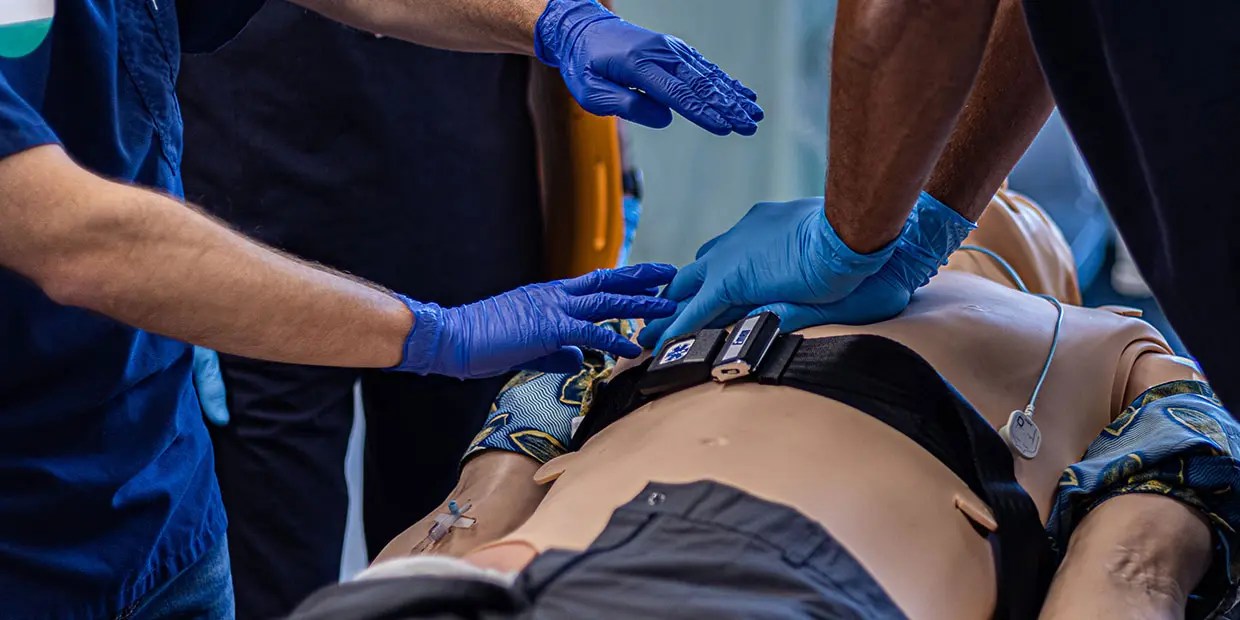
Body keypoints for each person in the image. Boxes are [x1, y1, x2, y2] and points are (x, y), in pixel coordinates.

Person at [0, 0, 762, 617]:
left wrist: (552, 20)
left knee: (453, 518)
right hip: (34, 527)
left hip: (158, 493)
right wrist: (440, 334)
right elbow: (77, 240)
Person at [286, 190, 1240, 619]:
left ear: (1055, 275)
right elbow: (486, 491)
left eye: (1016, 210)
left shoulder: (1118, 349)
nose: (1001, 203)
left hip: (765, 576)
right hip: (512, 570)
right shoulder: (730, 291)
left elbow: (1135, 571)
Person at [174, 3, 654, 616]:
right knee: (271, 579)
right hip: (244, 208)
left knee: (457, 560)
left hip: (467, 210)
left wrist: (608, 166)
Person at [645, 0, 1240, 407]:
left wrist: (845, 239)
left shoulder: (1106, 348)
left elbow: (915, 12)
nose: (1004, 215)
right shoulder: (1091, 348)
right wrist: (919, 223)